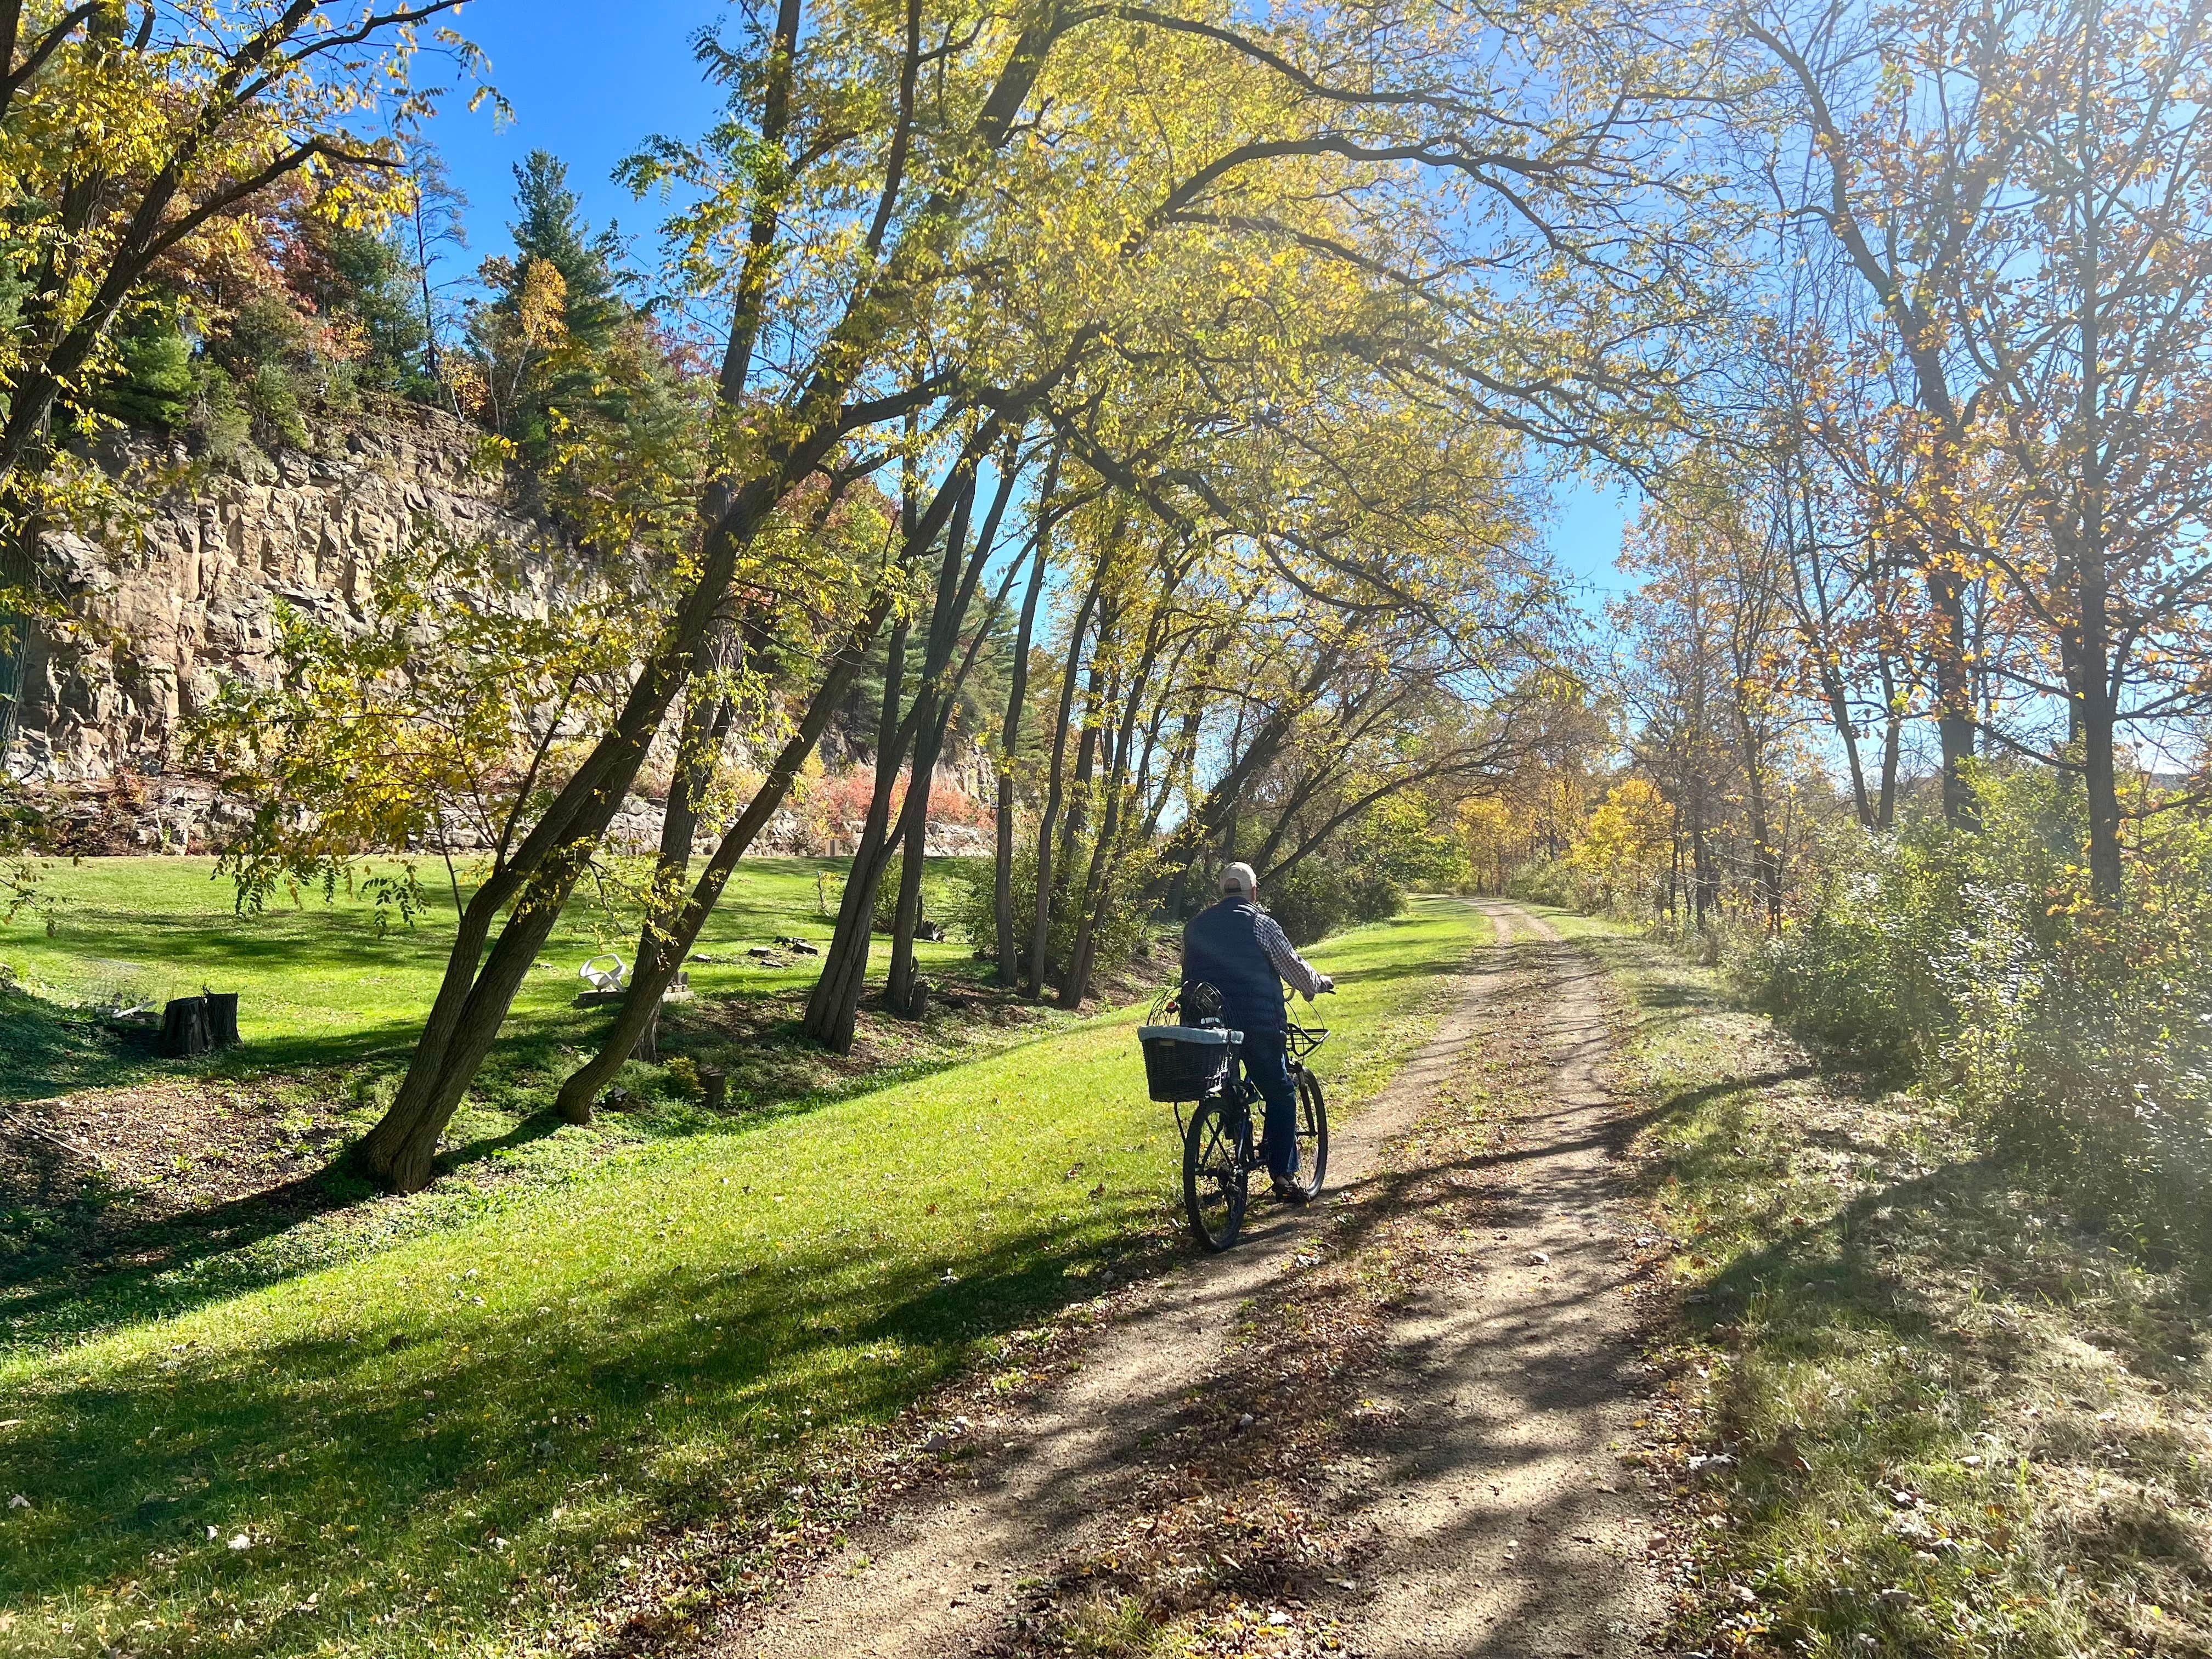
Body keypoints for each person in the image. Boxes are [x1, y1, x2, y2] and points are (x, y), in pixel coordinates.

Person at [1181, 861, 1333, 1200]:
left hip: (1208, 1027)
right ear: (1253, 891)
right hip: (1256, 1025)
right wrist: (1318, 984)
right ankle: (1283, 1177)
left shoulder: (1195, 927)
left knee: (1228, 1089)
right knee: (1281, 1091)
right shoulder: (1260, 924)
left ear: (1222, 892)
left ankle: (1236, 1162)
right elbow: (1293, 966)